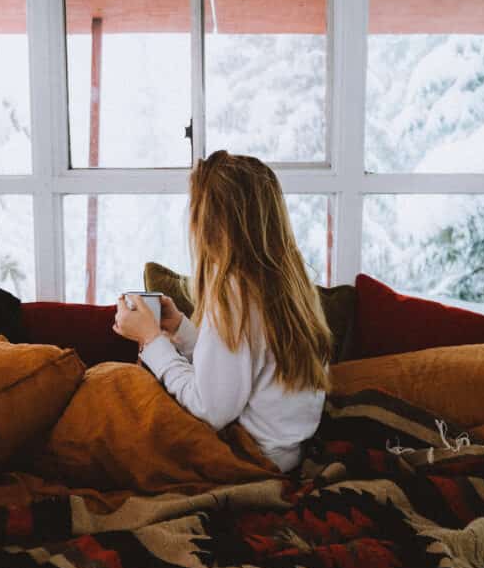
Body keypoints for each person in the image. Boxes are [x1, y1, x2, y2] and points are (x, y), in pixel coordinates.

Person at [112, 151, 332, 472]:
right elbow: (243, 365)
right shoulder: (287, 283)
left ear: (210, 223)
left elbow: (210, 409)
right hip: (286, 452)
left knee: (114, 393)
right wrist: (184, 332)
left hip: (250, 457)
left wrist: (152, 341)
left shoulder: (234, 293)